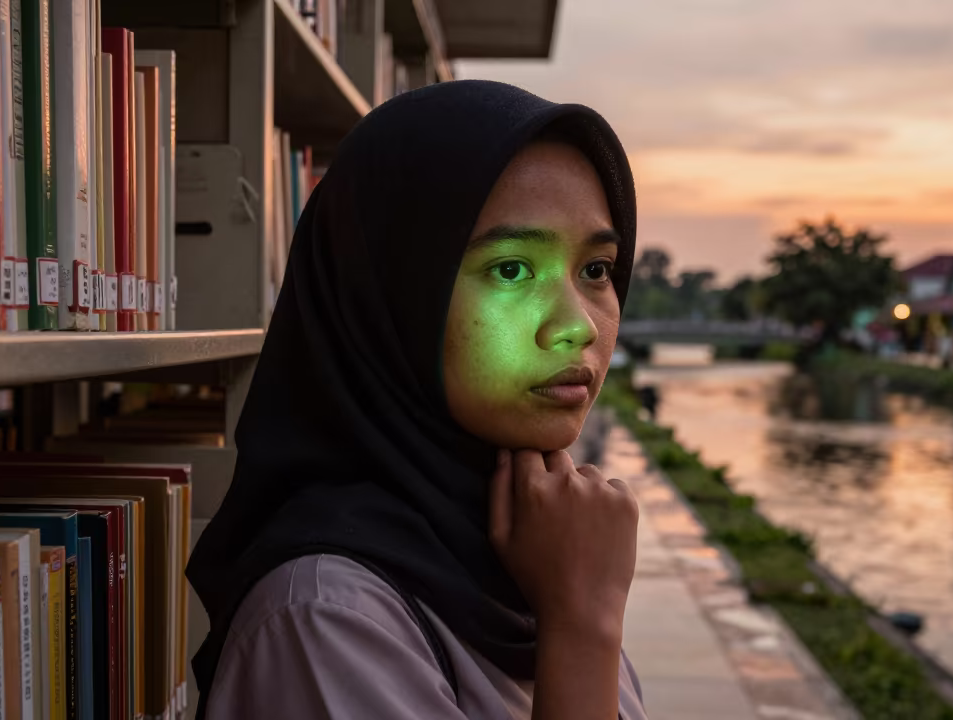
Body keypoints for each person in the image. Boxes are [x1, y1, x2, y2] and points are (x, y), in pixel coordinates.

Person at [186, 80, 646, 720]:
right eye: (511, 269)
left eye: (595, 270)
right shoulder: (326, 621)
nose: (580, 326)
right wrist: (584, 628)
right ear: (390, 298)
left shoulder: (543, 551)